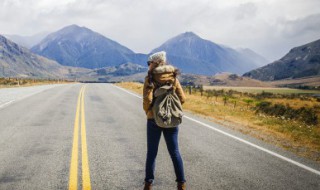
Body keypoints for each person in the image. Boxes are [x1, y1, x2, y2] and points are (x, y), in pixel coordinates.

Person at [143, 51, 186, 190]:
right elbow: (182, 98)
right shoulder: (173, 77)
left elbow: (147, 100)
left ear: (154, 63)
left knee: (152, 153)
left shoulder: (150, 77)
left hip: (153, 119)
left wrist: (149, 111)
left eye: (149, 63)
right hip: (171, 119)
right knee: (175, 152)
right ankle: (181, 184)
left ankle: (148, 184)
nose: (148, 65)